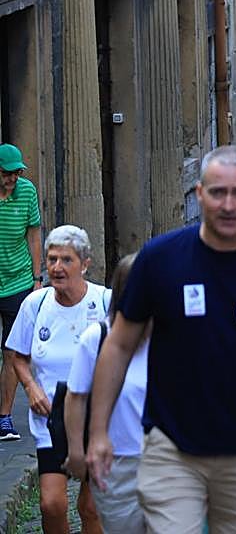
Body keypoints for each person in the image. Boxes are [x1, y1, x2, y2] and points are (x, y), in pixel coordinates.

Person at [87, 146, 236, 534]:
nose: (228, 204)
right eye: (217, 192)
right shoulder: (160, 259)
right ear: (199, 194)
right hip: (171, 447)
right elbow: (120, 344)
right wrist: (97, 434)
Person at [9, 225, 106, 533]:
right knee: (51, 504)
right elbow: (16, 353)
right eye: (51, 259)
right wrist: (30, 386)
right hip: (50, 418)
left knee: (91, 507)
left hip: (95, 416)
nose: (56, 267)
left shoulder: (105, 302)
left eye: (66, 260)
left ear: (85, 263)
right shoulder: (35, 304)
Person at [64, 254, 143, 534]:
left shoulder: (172, 337)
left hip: (168, 460)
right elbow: (76, 396)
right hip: (116, 463)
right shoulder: (96, 338)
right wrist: (76, 451)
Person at [0, 143, 41, 442]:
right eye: (7, 173)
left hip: (18, 282)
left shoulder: (26, 192)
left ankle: (4, 417)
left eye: (16, 173)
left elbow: (34, 235)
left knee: (12, 351)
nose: (13, 179)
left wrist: (38, 278)